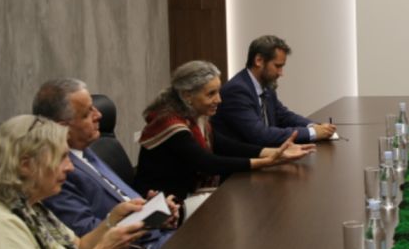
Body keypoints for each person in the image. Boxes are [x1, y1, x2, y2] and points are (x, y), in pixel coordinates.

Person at [31, 78, 179, 249]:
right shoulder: (56, 174)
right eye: (87, 113)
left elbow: (121, 201)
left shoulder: (86, 150)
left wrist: (153, 212)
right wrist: (143, 219)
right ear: (62, 128)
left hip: (155, 240)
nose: (99, 115)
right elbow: (85, 237)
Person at [0, 115, 146, 249]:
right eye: (61, 157)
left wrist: (113, 220)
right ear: (26, 165)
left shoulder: (31, 207)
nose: (70, 167)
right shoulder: (0, 222)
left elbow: (79, 247)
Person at [135, 60, 315, 203]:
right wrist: (266, 162)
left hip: (185, 193)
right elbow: (207, 163)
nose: (219, 100)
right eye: (211, 94)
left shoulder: (194, 116)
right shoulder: (170, 123)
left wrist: (275, 152)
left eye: (218, 92)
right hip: (163, 204)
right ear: (187, 95)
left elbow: (224, 144)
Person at [211, 35, 336, 146]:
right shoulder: (237, 90)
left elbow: (283, 115)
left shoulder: (266, 85)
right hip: (242, 162)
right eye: (277, 66)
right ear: (259, 60)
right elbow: (260, 135)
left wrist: (313, 126)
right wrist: (312, 133)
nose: (281, 73)